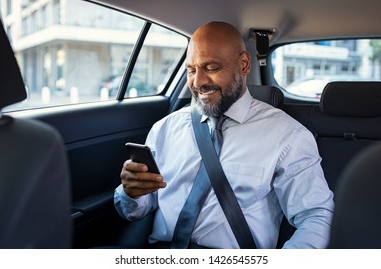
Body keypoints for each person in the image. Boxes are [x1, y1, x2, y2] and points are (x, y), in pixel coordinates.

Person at [114, 21, 334, 249]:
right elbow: (138, 208)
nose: (197, 82)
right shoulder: (165, 128)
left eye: (211, 67)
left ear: (244, 64)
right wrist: (132, 193)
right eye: (191, 70)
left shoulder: (288, 136)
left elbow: (317, 217)